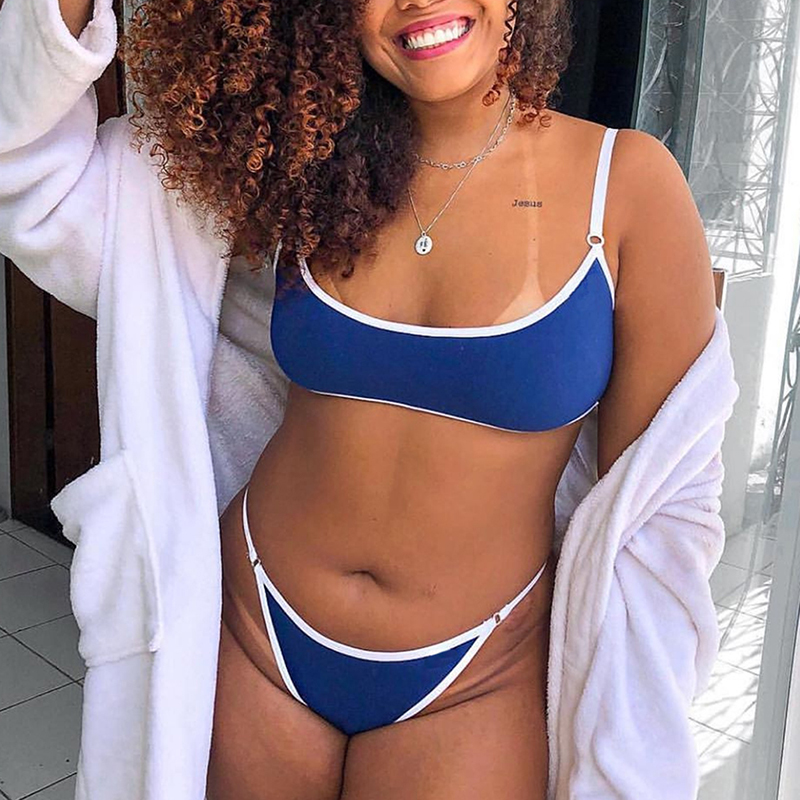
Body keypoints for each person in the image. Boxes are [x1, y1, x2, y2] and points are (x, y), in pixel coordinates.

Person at [0, 0, 728, 798]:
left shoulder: (628, 186)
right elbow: (32, 172)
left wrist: (637, 732)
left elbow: (663, 505)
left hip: (476, 673)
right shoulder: (294, 161)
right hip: (255, 630)